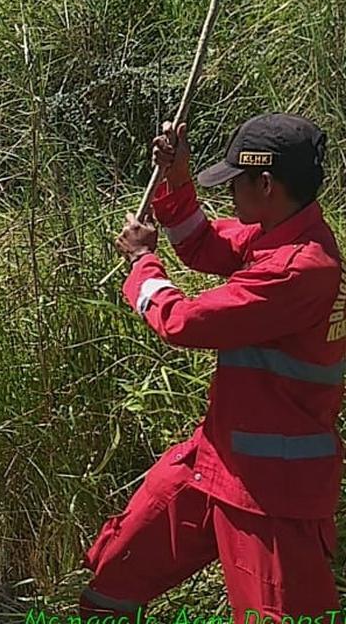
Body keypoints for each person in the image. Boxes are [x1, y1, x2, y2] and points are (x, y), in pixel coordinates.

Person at [86, 114, 343, 619]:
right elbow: (203, 243)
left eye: (234, 182)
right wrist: (177, 179)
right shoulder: (280, 234)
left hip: (271, 494)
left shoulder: (299, 270)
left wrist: (142, 264)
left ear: (265, 185)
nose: (228, 193)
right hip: (215, 463)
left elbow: (183, 322)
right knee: (112, 580)